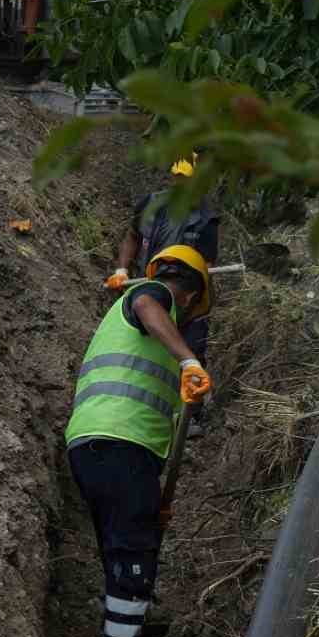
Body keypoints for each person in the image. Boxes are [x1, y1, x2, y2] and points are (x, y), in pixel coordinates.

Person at [66, 244, 213, 637]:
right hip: (118, 444)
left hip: (106, 448)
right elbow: (149, 303)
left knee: (126, 551)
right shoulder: (153, 295)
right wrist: (190, 359)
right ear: (189, 296)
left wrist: (156, 495)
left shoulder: (144, 340)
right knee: (132, 557)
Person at [106, 154, 220, 436]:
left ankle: (188, 417)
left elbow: (207, 265)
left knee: (190, 350)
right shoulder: (150, 204)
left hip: (187, 298)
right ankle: (139, 408)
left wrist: (189, 295)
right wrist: (122, 268)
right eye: (178, 178)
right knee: (144, 350)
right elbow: (132, 236)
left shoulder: (206, 219)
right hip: (147, 288)